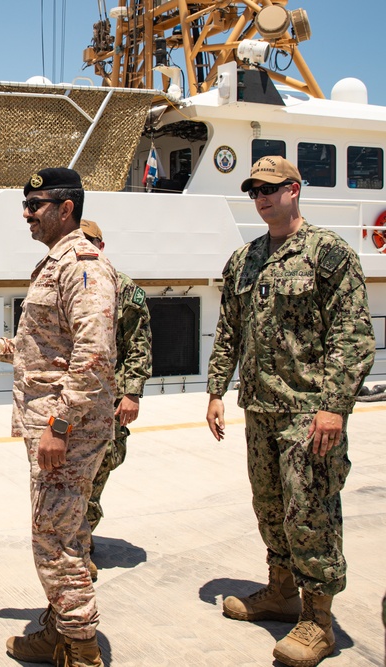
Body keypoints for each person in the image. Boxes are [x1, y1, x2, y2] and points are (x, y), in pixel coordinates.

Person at [206, 155, 374, 667]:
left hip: (309, 413)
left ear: (295, 190)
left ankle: (318, 621)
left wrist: (334, 407)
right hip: (259, 409)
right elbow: (229, 330)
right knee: (271, 508)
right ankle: (281, 593)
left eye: (271, 189)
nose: (261, 197)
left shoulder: (329, 254)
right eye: (255, 190)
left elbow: (353, 334)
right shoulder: (245, 259)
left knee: (311, 514)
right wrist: (216, 390)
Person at [0, 168, 117, 666]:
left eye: (36, 204)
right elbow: (41, 351)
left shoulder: (82, 267)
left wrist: (59, 425)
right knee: (70, 533)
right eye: (27, 204)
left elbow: (94, 355)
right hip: (54, 423)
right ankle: (58, 630)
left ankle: (81, 650)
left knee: (52, 541)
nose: (27, 213)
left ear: (66, 208)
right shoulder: (55, 265)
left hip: (67, 429)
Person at [78, 219, 152, 581]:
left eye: (90, 242)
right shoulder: (62, 285)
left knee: (97, 472)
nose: (85, 248)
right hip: (70, 403)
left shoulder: (125, 290)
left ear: (101, 246)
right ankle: (68, 543)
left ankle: (82, 544)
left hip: (108, 403)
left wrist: (132, 393)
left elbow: (138, 346)